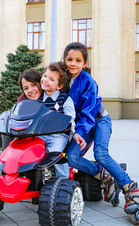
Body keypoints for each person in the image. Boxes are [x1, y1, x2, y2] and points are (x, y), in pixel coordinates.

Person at [63, 42, 139, 214]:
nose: (73, 63)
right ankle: (104, 175)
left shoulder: (88, 81)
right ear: (64, 60)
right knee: (72, 157)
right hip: (82, 123)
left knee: (101, 154)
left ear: (85, 63)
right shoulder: (61, 77)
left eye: (78, 60)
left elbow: (89, 113)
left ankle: (131, 188)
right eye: (69, 59)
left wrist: (80, 132)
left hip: (99, 120)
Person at [38, 61, 76, 177]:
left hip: (58, 135)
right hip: (40, 134)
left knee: (56, 152)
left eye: (51, 79)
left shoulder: (64, 98)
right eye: (45, 76)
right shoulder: (38, 98)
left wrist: (59, 120)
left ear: (59, 86)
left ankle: (62, 180)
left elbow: (70, 115)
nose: (45, 80)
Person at [0, 69, 42, 150]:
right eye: (26, 88)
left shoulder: (46, 97)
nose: (30, 90)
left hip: (36, 131)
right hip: (22, 128)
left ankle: (6, 156)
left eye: (33, 85)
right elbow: (15, 115)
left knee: (7, 132)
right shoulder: (23, 99)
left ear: (40, 83)